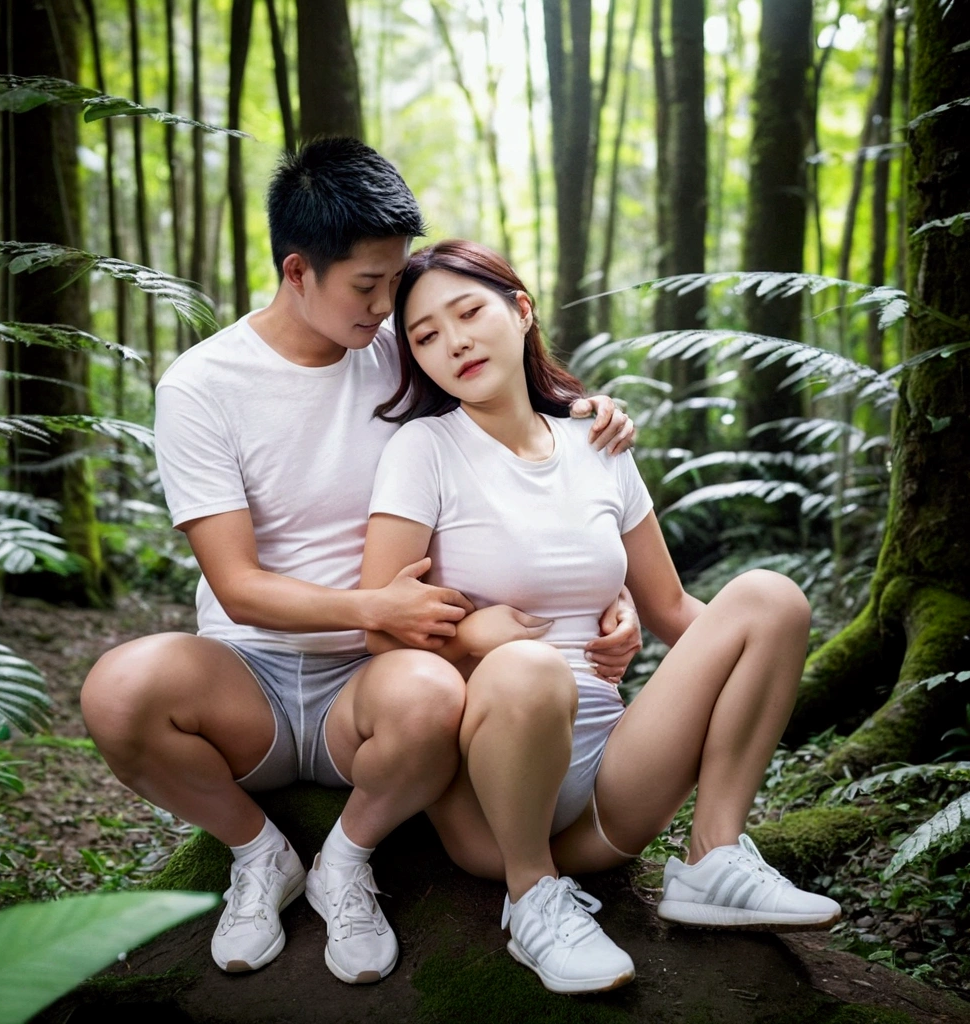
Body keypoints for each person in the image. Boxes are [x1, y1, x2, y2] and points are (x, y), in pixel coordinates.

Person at [79, 139, 638, 985]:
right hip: (247, 672)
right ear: (297, 271)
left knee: (430, 690)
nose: (387, 307)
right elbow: (237, 585)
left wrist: (597, 425)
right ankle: (261, 855)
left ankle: (344, 861)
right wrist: (377, 609)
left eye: (395, 279)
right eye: (367, 286)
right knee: (118, 690)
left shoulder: (398, 346)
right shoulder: (202, 385)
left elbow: (517, 421)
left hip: (375, 681)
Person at [360, 239, 842, 996]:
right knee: (527, 665)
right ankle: (532, 900)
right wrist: (473, 634)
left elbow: (674, 609)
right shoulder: (423, 450)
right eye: (423, 337)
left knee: (770, 597)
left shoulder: (597, 442)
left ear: (520, 310)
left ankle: (713, 857)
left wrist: (757, 669)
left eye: (468, 312)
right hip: (493, 803)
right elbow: (378, 627)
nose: (452, 342)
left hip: (611, 790)